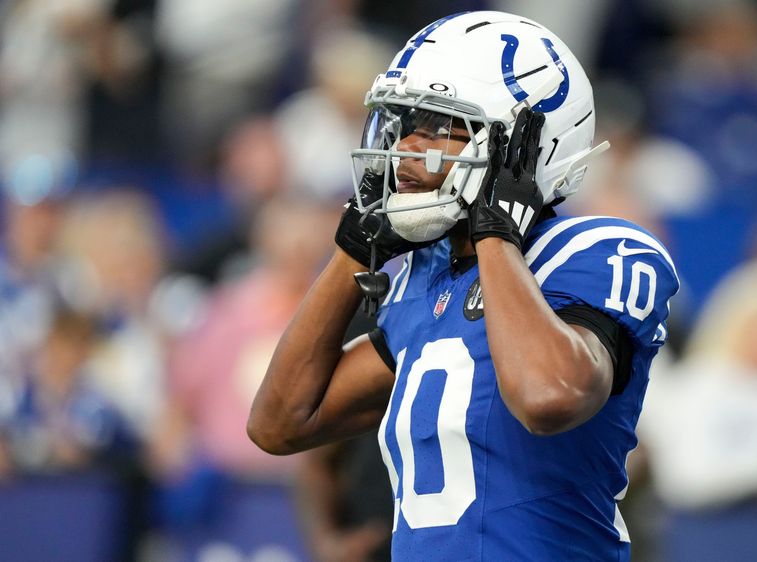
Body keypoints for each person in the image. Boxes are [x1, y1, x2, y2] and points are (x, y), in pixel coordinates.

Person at [248, 11, 679, 561]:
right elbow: (280, 422)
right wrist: (351, 249)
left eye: (438, 127)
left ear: (525, 147)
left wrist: (496, 234)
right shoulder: (425, 280)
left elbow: (550, 396)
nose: (404, 148)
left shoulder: (596, 249)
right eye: (403, 124)